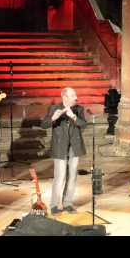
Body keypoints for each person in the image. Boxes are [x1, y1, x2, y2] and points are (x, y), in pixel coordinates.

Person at [41, 87, 87, 215]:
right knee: (60, 177)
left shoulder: (78, 109)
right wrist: (53, 118)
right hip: (60, 147)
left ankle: (68, 203)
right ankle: (55, 204)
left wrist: (73, 117)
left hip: (74, 147)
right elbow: (43, 125)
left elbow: (84, 125)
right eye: (73, 95)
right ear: (65, 97)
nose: (76, 98)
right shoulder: (54, 108)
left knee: (72, 176)